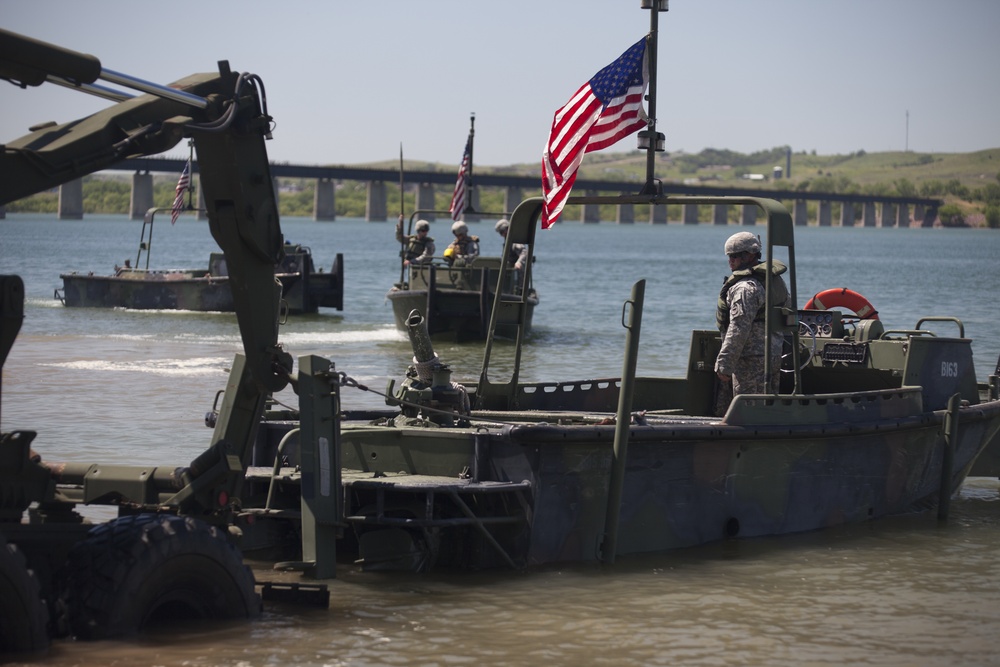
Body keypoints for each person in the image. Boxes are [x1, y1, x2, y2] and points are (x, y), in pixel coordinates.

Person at [714, 231, 790, 416]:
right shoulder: (773, 281)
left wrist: (725, 362)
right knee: (766, 408)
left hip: (750, 358)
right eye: (729, 256)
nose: (730, 261)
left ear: (749, 255)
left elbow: (739, 327)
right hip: (772, 354)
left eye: (735, 256)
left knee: (747, 411)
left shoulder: (744, 288)